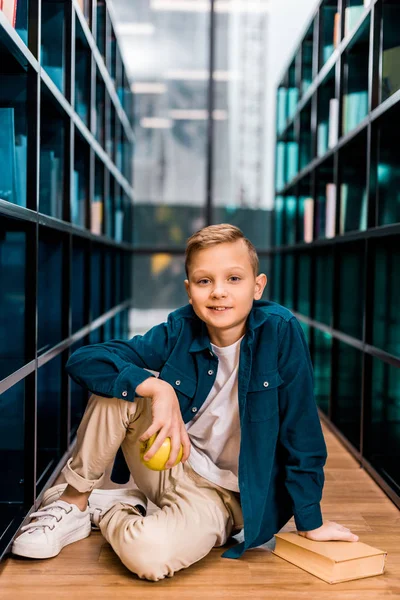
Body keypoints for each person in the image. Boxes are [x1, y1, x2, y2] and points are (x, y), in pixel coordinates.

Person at [12, 224, 359, 580]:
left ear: (258, 287)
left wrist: (309, 520)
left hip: (225, 495)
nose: (219, 292)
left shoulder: (280, 331)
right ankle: (73, 503)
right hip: (170, 461)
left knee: (149, 557)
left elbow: (302, 432)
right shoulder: (180, 328)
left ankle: (112, 508)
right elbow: (86, 359)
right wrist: (157, 388)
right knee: (120, 387)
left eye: (234, 279)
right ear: (189, 290)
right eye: (204, 281)